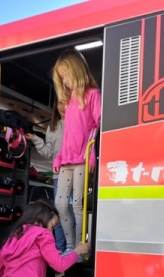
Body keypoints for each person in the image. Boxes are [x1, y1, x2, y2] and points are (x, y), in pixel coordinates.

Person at [52, 49, 101, 255]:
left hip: (82, 159)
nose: (64, 81)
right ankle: (71, 245)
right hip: (66, 160)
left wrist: (92, 157)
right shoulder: (70, 101)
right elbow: (68, 136)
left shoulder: (93, 95)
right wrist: (59, 157)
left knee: (78, 206)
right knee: (60, 204)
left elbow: (98, 127)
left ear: (76, 71)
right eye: (61, 78)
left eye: (66, 75)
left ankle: (82, 249)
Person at [25, 98, 70, 252]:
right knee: (60, 211)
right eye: (60, 103)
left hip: (77, 172)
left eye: (66, 102)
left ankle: (73, 248)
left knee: (72, 211)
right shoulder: (52, 127)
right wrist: (35, 139)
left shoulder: (79, 123)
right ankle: (60, 249)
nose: (63, 106)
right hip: (59, 175)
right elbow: (49, 152)